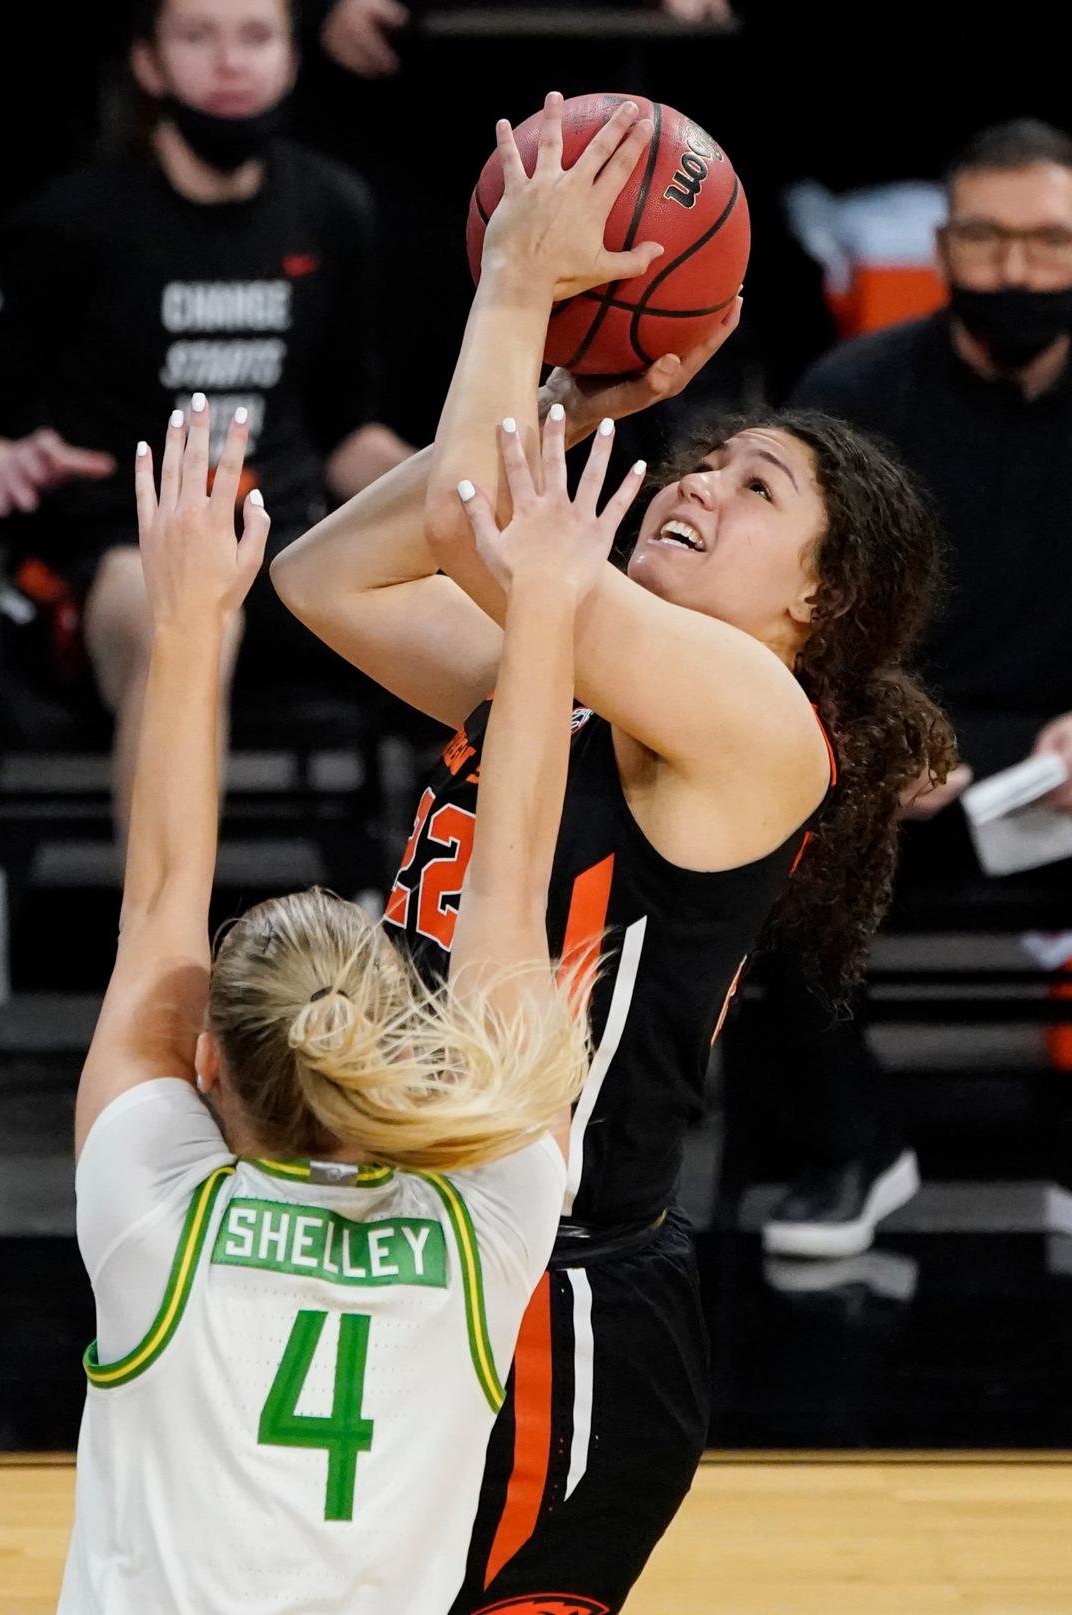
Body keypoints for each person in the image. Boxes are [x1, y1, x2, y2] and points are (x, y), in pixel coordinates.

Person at [271, 93, 955, 1614]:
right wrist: (580, 396)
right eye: (705, 456)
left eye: (755, 488)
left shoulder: (760, 725)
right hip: (422, 1235)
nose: (698, 480)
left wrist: (519, 292)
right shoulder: (557, 686)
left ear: (820, 610)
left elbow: (468, 526)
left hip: (557, 1297)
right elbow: (326, 574)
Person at [59, 385, 649, 1610]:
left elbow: (162, 890)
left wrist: (187, 624)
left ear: (208, 1064)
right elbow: (510, 881)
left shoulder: (150, 1209)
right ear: (408, 1043)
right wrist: (548, 604)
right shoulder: (491, 1218)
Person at [0, 0, 412, 836]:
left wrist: (458, 485)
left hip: (285, 551)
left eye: (256, 36)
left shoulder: (334, 210)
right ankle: (163, 959)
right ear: (149, 63)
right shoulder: (72, 223)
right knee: (185, 621)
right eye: (198, 36)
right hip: (116, 556)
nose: (231, 62)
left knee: (508, 608)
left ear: (293, 58)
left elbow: (346, 437)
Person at [736, 117, 1072, 1262]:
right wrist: (873, 734)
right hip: (899, 764)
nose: (1016, 271)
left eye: (1047, 241)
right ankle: (850, 1147)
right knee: (761, 835)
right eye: (986, 239)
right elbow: (781, 618)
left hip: (1062, 770)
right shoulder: (856, 397)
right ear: (942, 242)